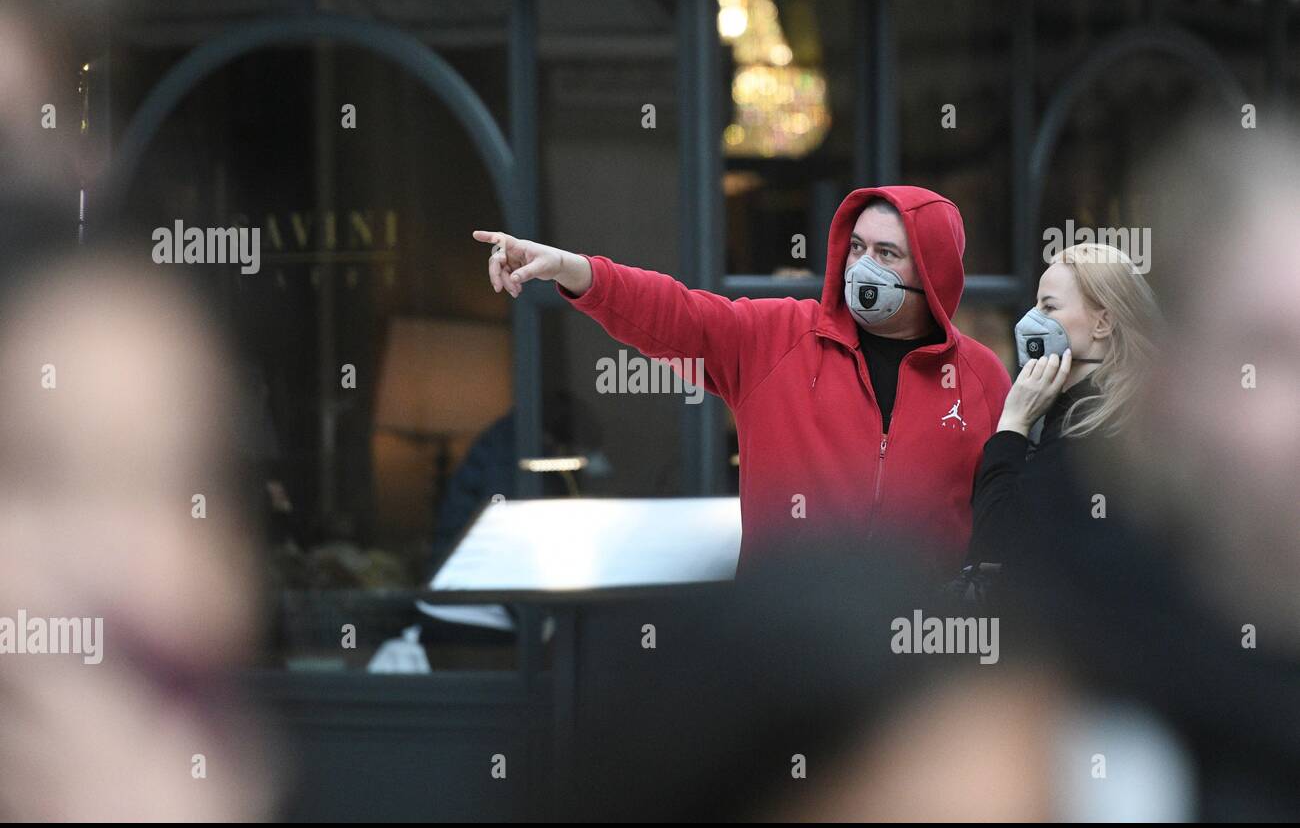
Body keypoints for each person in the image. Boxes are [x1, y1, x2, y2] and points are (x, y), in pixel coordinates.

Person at [475, 186, 1011, 577]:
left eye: (886, 253)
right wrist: (572, 269)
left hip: (917, 670)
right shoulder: (778, 336)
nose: (863, 265)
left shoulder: (981, 377)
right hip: (782, 650)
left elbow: (1005, 515)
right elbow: (675, 314)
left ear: (932, 273)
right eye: (856, 247)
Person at [967, 242, 1159, 578]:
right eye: (1036, 305)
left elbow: (995, 543)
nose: (1031, 320)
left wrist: (1014, 423)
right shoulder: (1124, 410)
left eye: (1049, 307)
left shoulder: (1087, 428)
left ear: (1103, 323)